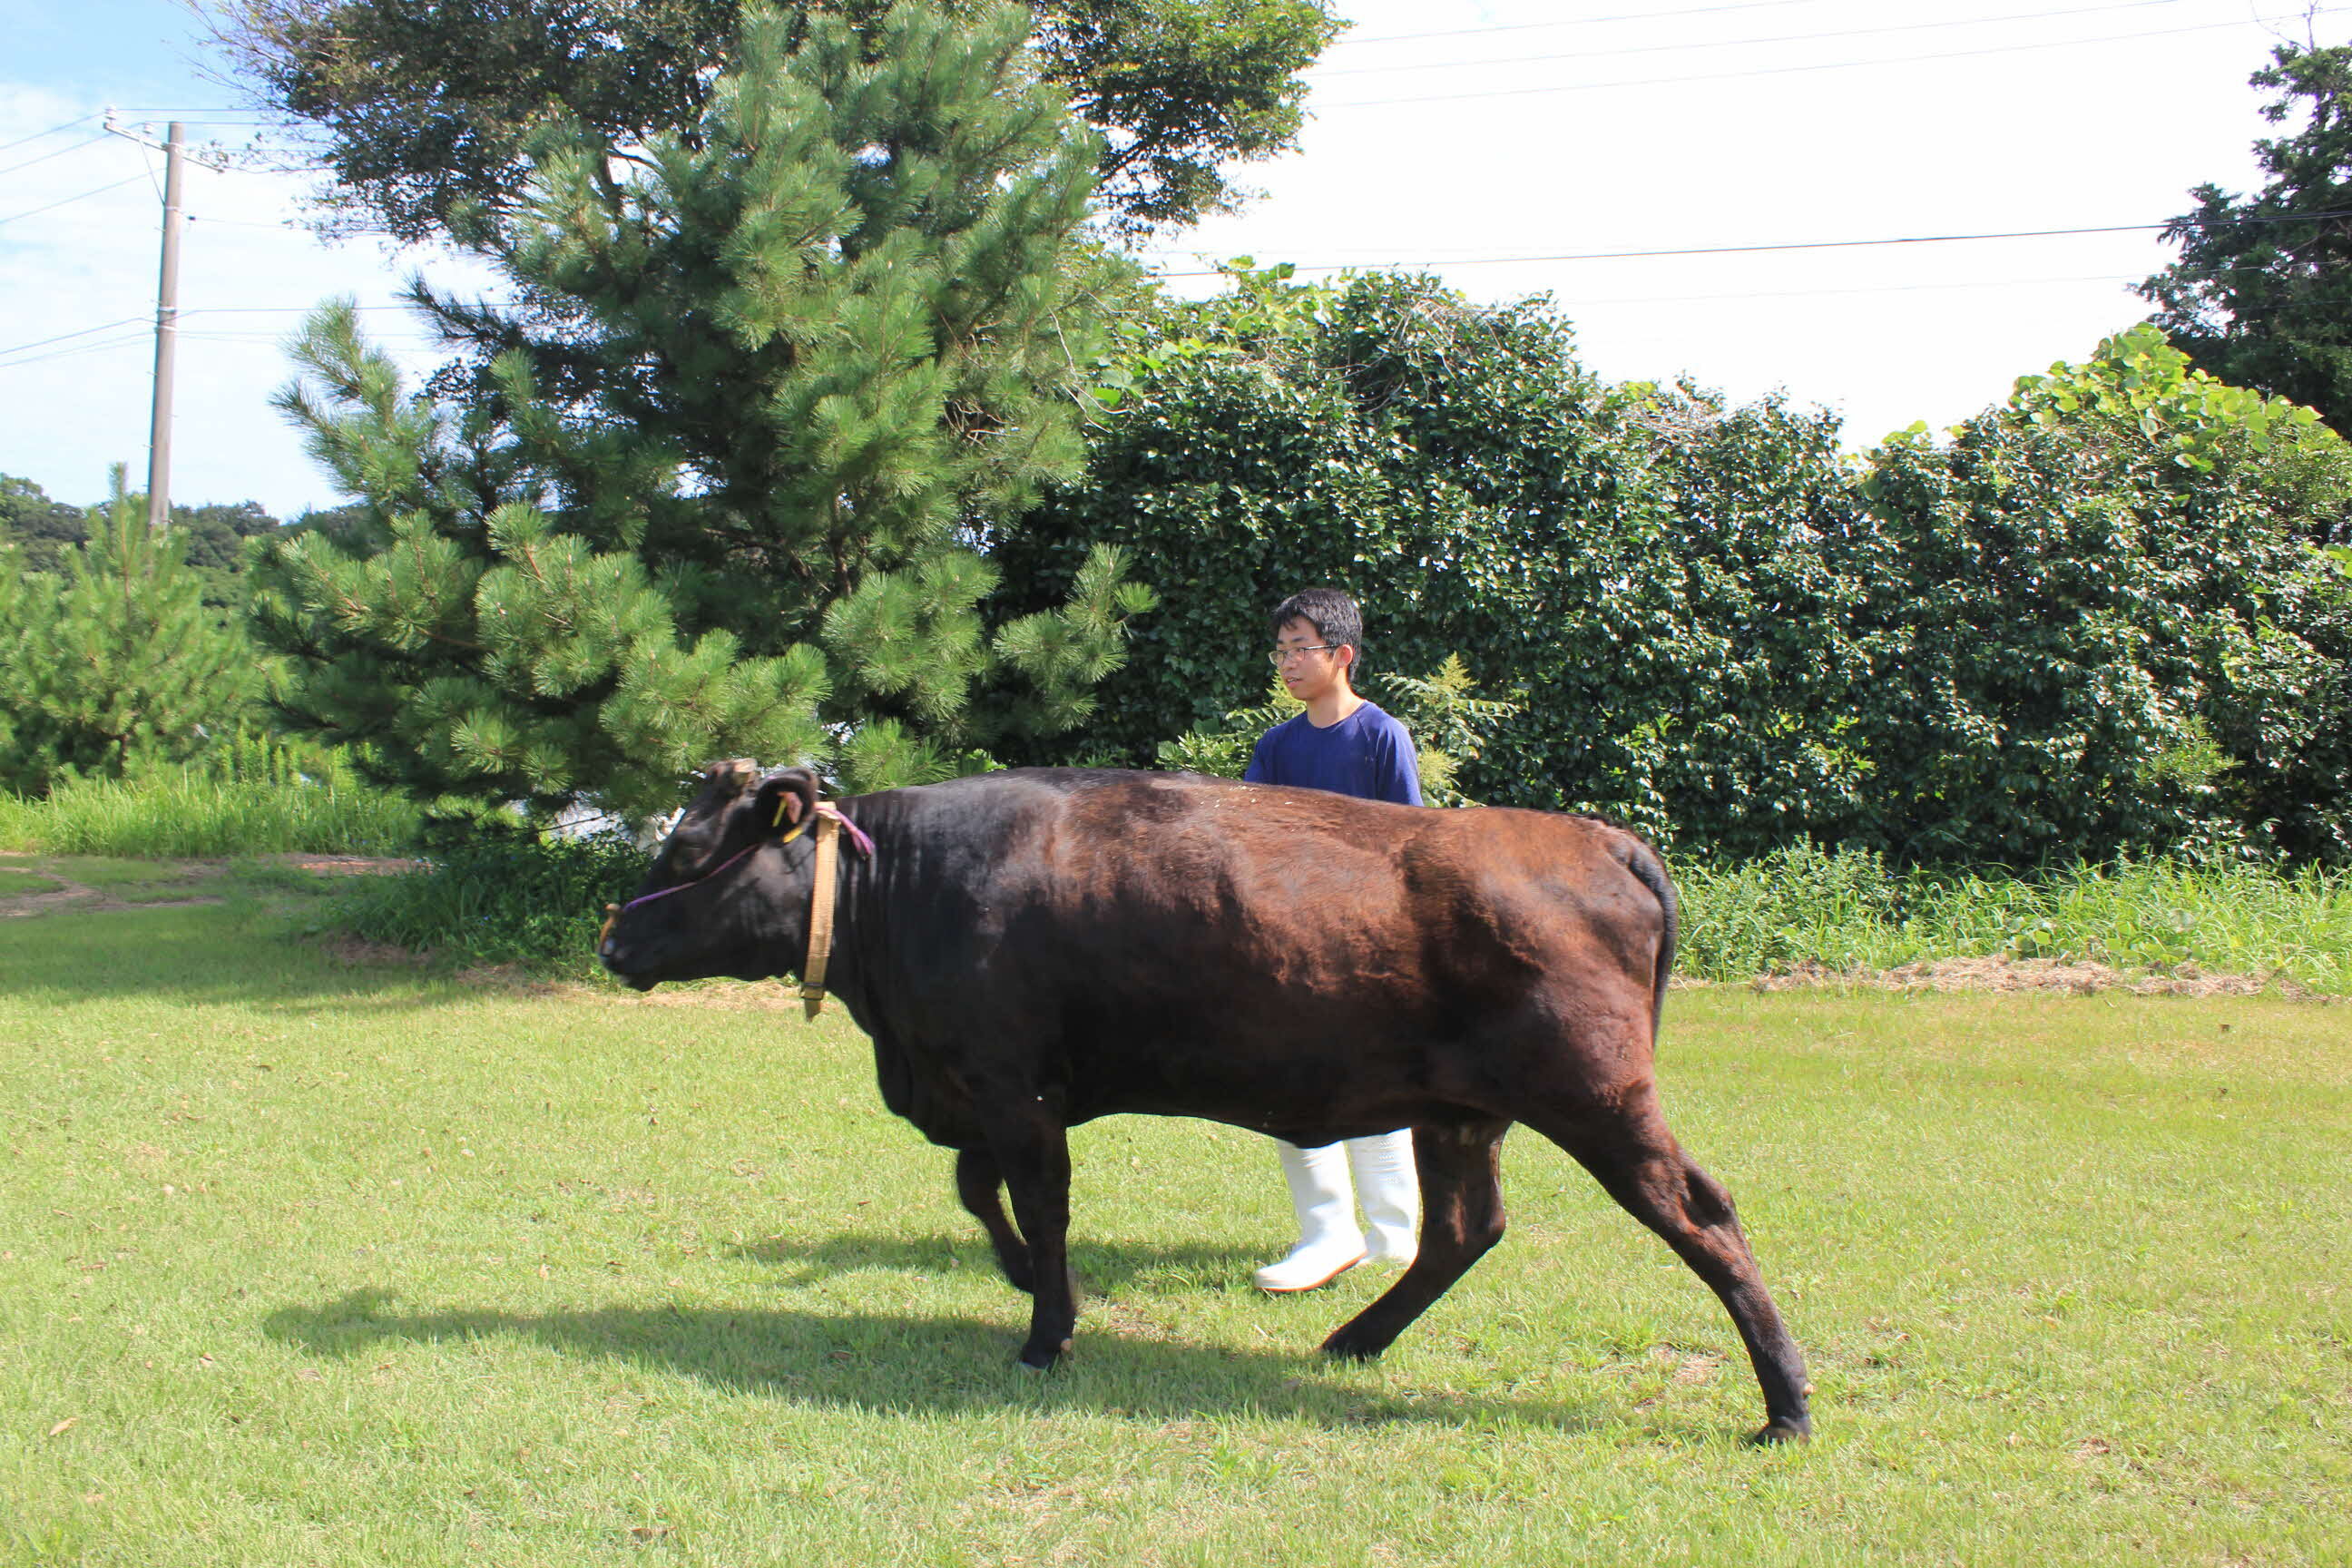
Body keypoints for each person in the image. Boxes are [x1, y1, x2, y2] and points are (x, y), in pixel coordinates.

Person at [1241, 587, 1424, 1293]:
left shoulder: (1382, 736)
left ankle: (1396, 1238)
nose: (1286, 662)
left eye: (1300, 648)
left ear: (1341, 655)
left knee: (1378, 1086)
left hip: (1370, 943)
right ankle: (1325, 1233)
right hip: (1291, 944)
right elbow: (1250, 841)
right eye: (1280, 649)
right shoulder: (1276, 745)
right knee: (1295, 1083)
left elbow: (1410, 844)